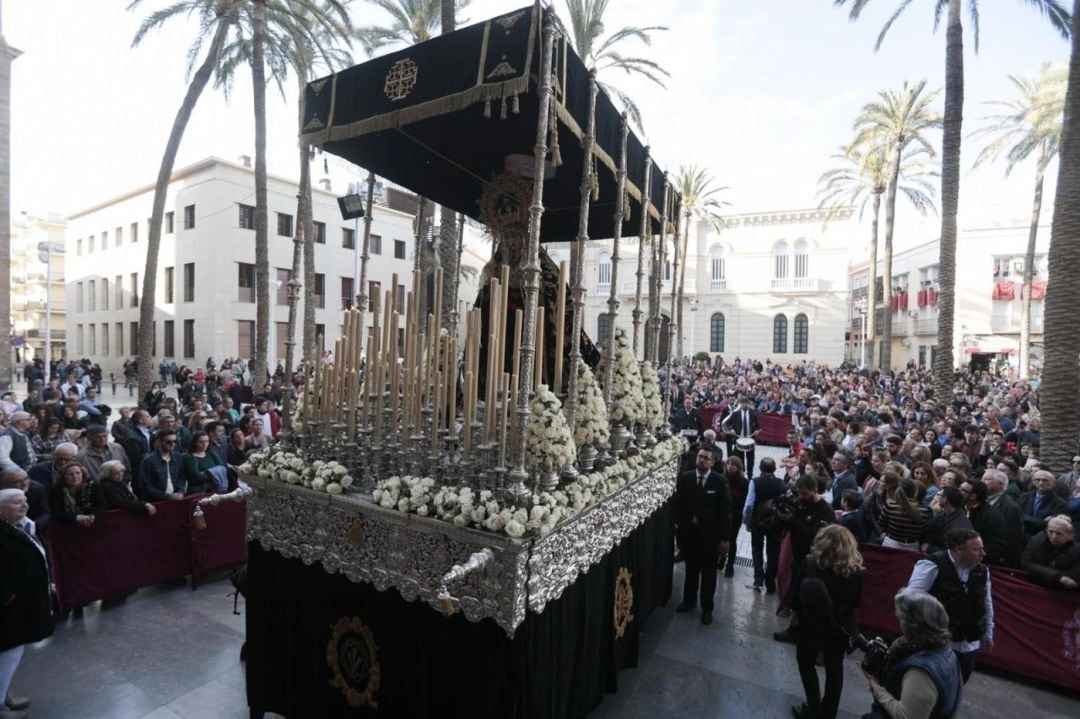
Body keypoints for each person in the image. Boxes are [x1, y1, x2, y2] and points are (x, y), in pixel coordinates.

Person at [790, 525, 864, 719]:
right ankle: (829, 712)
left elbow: (795, 597)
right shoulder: (855, 570)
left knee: (806, 664)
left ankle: (814, 710)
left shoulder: (810, 563)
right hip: (839, 628)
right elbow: (856, 602)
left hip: (811, 625)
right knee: (835, 668)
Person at [906, 528, 993, 683]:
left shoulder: (982, 571)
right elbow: (912, 599)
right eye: (976, 550)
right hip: (937, 645)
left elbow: (986, 603)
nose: (983, 554)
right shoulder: (932, 564)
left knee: (955, 691)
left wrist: (988, 632)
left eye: (982, 549)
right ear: (959, 550)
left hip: (968, 646)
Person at [861, 588, 962, 719]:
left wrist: (875, 685)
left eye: (902, 618)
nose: (899, 620)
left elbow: (906, 716)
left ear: (913, 625)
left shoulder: (921, 670)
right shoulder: (945, 651)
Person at [0, 488, 54, 718]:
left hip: (21, 600)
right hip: (9, 607)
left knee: (10, 654)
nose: (24, 506)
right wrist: (7, 598)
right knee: (8, 653)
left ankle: (3, 693)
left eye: (24, 501)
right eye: (16, 503)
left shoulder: (15, 526)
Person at [674, 446, 732, 625]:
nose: (702, 460)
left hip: (710, 537)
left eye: (706, 458)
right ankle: (688, 600)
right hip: (689, 535)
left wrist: (725, 538)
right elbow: (679, 504)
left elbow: (726, 511)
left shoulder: (719, 481)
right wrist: (679, 528)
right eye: (700, 457)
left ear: (712, 462)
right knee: (691, 569)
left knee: (708, 574)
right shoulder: (686, 477)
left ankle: (707, 608)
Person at [743, 457, 786, 594]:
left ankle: (758, 578)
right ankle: (770, 582)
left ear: (760, 468)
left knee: (757, 549)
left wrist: (747, 521)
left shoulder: (755, 482)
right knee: (773, 552)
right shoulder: (781, 483)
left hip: (758, 522)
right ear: (774, 469)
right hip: (775, 523)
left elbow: (749, 504)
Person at [1021, 515, 1080, 590]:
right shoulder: (1036, 541)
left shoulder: (1077, 550)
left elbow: (1076, 573)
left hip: (1061, 590)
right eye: (1051, 532)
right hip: (1036, 584)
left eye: (1059, 534)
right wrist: (1057, 576)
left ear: (1070, 535)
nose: (1054, 536)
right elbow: (1026, 562)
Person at [960, 480, 1008, 566]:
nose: (958, 491)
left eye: (962, 490)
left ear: (973, 496)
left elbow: (996, 545)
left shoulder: (991, 515)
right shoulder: (960, 507)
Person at [47, 463, 106, 527]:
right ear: (64, 476)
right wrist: (78, 517)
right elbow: (57, 512)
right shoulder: (57, 489)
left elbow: (101, 506)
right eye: (70, 474)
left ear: (82, 474)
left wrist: (91, 516)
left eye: (78, 473)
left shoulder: (93, 486)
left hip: (93, 523)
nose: (75, 477)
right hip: (67, 526)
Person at [1018, 469, 1068, 541]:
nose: (1041, 483)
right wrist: (1040, 521)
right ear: (1033, 482)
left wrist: (1025, 518)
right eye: (1037, 480)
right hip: (1022, 537)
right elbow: (1017, 516)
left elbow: (1050, 526)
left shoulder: (1059, 503)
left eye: (1045, 480)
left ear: (1053, 483)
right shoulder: (1024, 497)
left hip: (1043, 540)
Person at [138, 430, 185, 502]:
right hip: (156, 501)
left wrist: (180, 492)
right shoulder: (148, 461)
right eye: (168, 442)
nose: (173, 444)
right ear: (159, 442)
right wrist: (166, 496)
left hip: (176, 499)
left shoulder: (178, 457)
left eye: (175, 441)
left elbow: (181, 478)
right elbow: (145, 485)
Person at [720, 455, 748, 578]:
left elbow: (744, 501)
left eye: (733, 465)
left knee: (732, 540)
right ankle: (721, 559)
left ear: (739, 467)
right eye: (728, 464)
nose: (730, 467)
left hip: (735, 516)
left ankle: (730, 564)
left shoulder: (743, 482)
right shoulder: (721, 479)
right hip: (721, 515)